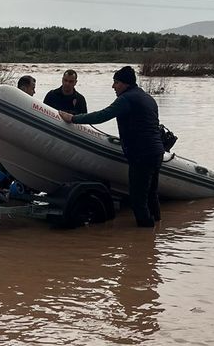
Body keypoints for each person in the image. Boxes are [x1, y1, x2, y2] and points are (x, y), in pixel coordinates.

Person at [59, 66, 164, 227]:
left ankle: (145, 234)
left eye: (116, 82)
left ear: (125, 84)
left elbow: (102, 115)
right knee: (151, 194)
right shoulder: (147, 98)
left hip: (141, 155)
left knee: (138, 199)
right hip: (156, 152)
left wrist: (73, 118)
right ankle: (157, 230)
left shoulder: (126, 99)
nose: (113, 86)